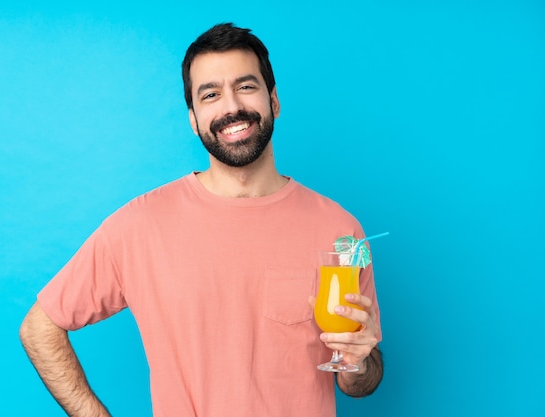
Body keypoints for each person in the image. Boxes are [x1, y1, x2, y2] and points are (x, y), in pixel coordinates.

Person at [19, 22, 383, 417]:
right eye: (211, 94)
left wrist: (359, 362)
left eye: (246, 87)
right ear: (193, 119)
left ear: (274, 101)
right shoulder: (140, 226)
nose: (231, 107)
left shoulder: (340, 231)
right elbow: (40, 327)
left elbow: (360, 382)